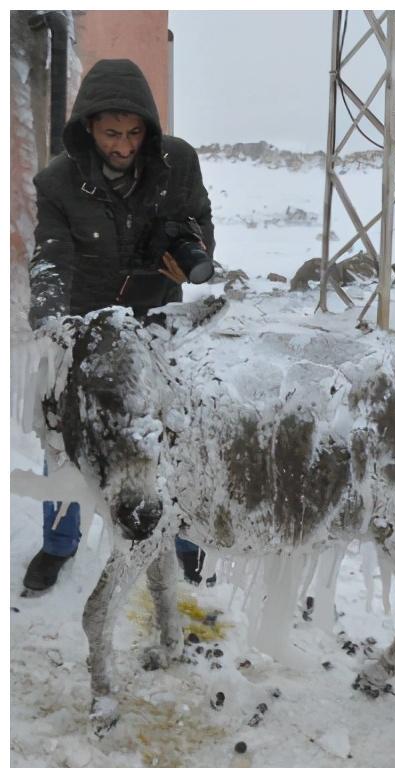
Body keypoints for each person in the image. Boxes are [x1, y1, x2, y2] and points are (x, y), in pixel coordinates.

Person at [23, 59, 213, 591]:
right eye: (112, 134)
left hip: (157, 318)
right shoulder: (57, 181)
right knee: (66, 434)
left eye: (134, 134)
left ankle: (186, 538)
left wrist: (195, 256)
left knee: (172, 431)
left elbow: (199, 218)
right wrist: (50, 318)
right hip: (86, 322)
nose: (124, 146)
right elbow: (51, 256)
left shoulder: (177, 162)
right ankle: (59, 542)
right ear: (89, 126)